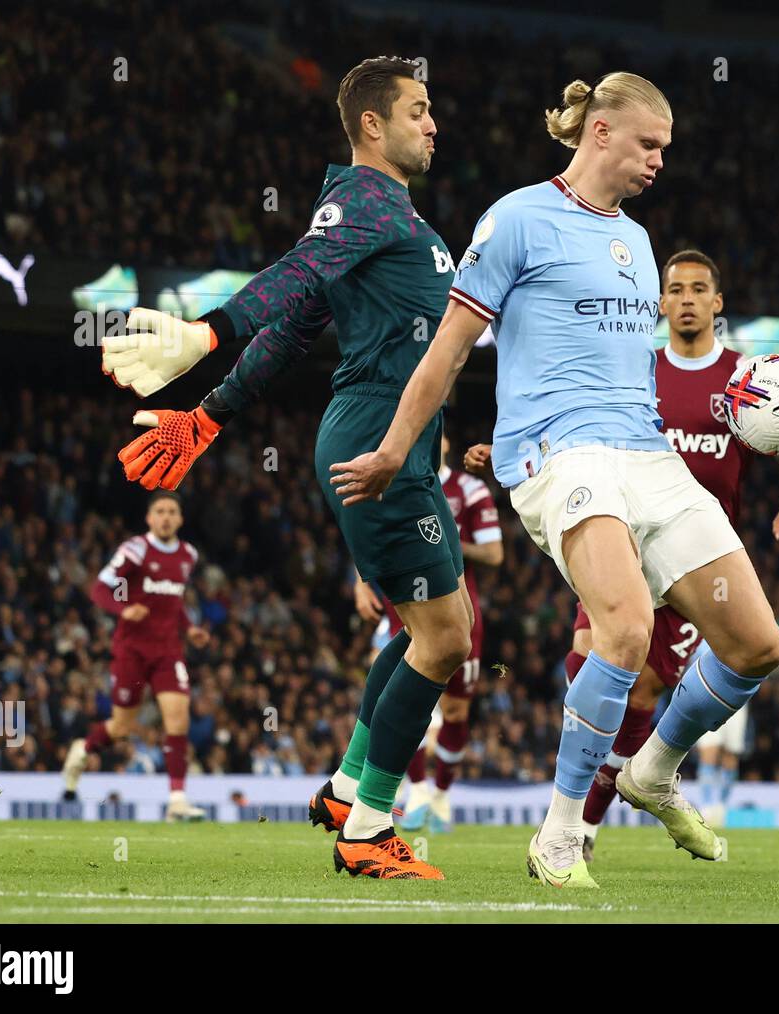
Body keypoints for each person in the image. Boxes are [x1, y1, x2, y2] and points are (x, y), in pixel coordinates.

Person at [331, 73, 779, 888]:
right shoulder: (515, 219)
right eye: (649, 144)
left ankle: (651, 771)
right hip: (556, 453)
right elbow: (446, 352)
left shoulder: (640, 242)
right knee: (624, 627)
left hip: (644, 453)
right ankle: (559, 834)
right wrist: (398, 448)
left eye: (665, 150)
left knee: (758, 644)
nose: (658, 161)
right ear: (602, 132)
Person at [104, 56, 472, 880]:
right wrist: (205, 334)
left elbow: (297, 325)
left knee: (428, 632)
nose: (433, 123)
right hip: (379, 432)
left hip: (388, 432)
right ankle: (368, 831)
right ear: (372, 124)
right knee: (448, 638)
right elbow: (296, 275)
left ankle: (348, 791)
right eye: (418, 109)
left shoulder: (384, 215)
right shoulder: (365, 199)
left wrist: (210, 413)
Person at [466, 248, 779, 856]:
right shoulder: (639, 370)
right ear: (659, 302)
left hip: (694, 557)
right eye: (674, 288)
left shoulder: (745, 382)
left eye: (698, 288)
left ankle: (599, 814)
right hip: (619, 531)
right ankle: (570, 824)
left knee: (649, 691)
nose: (685, 299)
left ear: (717, 302)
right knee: (594, 654)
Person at [362, 430, 503, 833]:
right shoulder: (391, 478)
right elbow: (368, 534)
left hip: (459, 611)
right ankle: (417, 788)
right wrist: (360, 582)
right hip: (402, 609)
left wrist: (446, 546)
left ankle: (440, 794)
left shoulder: (470, 488)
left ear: (444, 440)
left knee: (456, 711)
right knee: (402, 699)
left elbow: (494, 553)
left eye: (435, 432)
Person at [65, 491, 210, 820]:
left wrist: (190, 629)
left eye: (172, 511)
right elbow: (100, 588)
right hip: (131, 650)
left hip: (168, 651)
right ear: (149, 518)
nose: (166, 517)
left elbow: (174, 601)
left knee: (178, 719)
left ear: (181, 519)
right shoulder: (135, 549)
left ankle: (177, 801)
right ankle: (83, 749)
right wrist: (123, 609)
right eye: (159, 511)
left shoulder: (188, 555)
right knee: (122, 726)